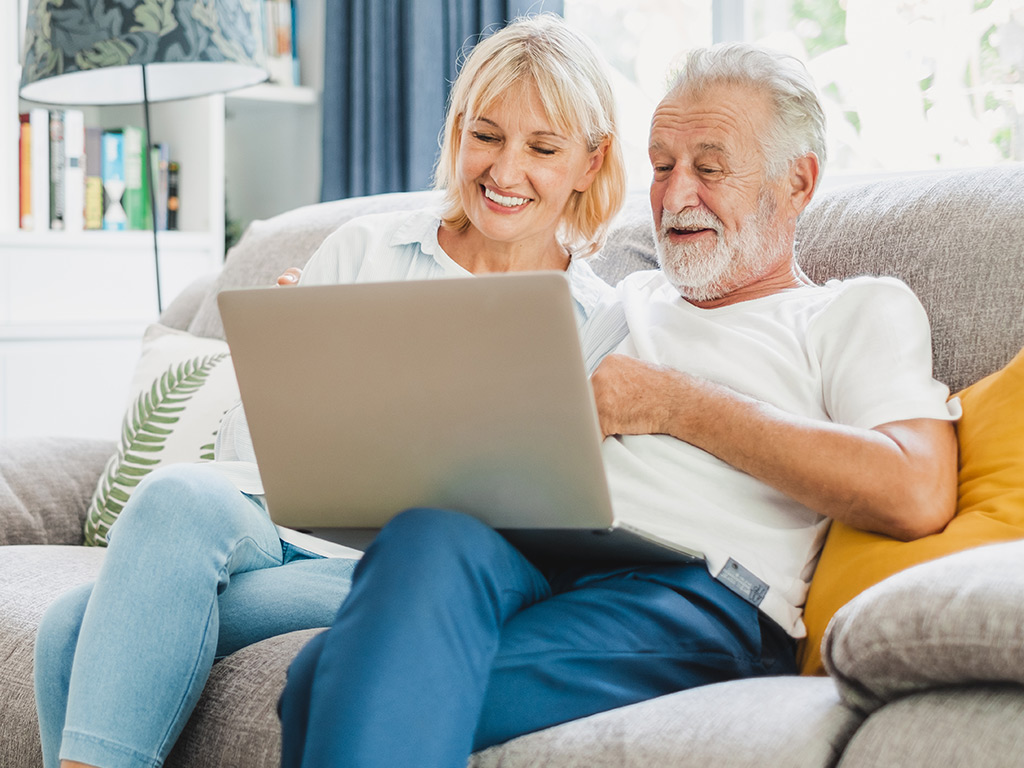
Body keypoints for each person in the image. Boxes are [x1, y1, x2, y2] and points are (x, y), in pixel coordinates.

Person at [276, 42, 960, 768]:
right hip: (541, 553)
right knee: (427, 532)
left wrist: (673, 403)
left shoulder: (851, 311)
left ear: (798, 181)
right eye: (662, 166)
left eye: (709, 168)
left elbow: (915, 491)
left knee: (324, 680)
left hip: (694, 593)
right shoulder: (622, 300)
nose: (676, 194)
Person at [33, 14, 627, 768]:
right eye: (486, 135)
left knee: (73, 628)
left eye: (542, 149)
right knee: (177, 493)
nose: (506, 171)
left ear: (590, 161)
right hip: (279, 524)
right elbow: (248, 459)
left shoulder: (596, 323)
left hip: (400, 570)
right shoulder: (368, 247)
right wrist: (285, 373)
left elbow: (570, 514)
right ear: (457, 133)